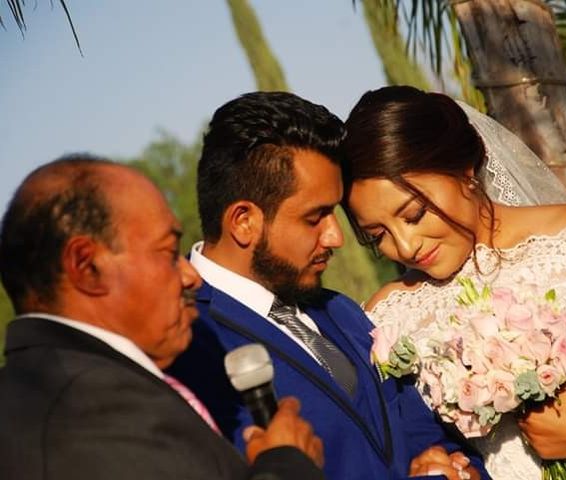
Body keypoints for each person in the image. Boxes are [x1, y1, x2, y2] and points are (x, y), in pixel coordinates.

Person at [168, 91, 489, 480]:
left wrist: (460, 469)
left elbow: (427, 435)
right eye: (315, 217)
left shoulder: (343, 311)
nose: (336, 236)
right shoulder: (187, 344)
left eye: (334, 213)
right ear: (243, 221)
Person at [340, 85, 566, 480]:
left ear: (463, 169)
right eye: (379, 234)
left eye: (413, 214)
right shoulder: (388, 318)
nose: (406, 246)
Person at [0, 155, 325, 480]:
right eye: (169, 253)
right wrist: (289, 464)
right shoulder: (81, 411)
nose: (191, 276)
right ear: (87, 267)